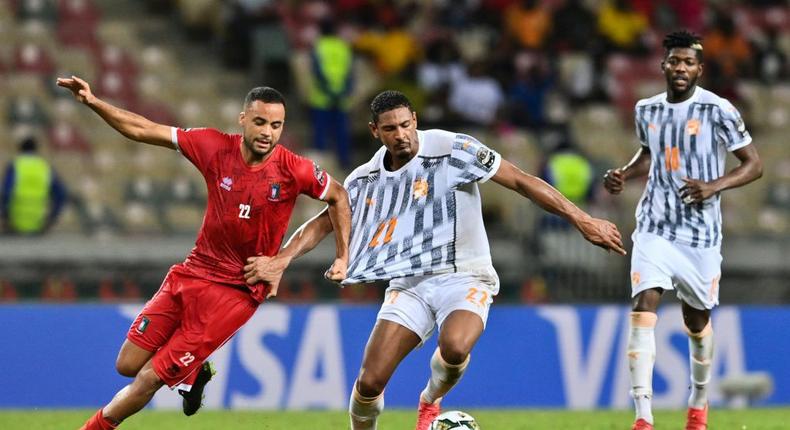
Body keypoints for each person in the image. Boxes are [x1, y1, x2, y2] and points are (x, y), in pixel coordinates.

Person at [244, 90, 626, 430]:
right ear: (375, 131)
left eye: (406, 125)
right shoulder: (365, 178)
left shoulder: (452, 149)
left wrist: (582, 219)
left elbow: (521, 180)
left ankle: (429, 402)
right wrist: (282, 259)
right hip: (409, 284)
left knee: (456, 347)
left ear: (416, 121)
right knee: (369, 382)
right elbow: (325, 221)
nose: (402, 135)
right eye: (391, 128)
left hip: (466, 276)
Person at [55, 75, 351, 430]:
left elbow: (339, 198)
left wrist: (290, 259)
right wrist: (93, 101)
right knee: (127, 365)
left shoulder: (294, 168)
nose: (268, 133)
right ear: (243, 119)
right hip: (192, 272)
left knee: (149, 378)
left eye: (276, 125)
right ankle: (194, 375)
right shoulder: (213, 146)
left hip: (237, 289)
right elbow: (142, 129)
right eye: (260, 122)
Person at [602, 31, 762, 430]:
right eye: (674, 61)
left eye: (688, 63)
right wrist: (625, 172)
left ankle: (699, 403)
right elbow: (649, 153)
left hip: (701, 238)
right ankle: (643, 418)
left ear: (699, 69)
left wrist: (713, 186)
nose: (680, 68)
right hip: (655, 227)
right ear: (663, 65)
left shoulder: (718, 109)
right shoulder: (647, 109)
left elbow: (753, 164)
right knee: (643, 306)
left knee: (696, 320)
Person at [308, 18, 354, 169]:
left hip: (323, 98)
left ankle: (319, 168)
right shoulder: (343, 47)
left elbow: (317, 71)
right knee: (341, 132)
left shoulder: (319, 46)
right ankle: (344, 162)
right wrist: (344, 91)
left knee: (321, 132)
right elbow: (350, 73)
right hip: (341, 97)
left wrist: (328, 90)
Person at [1, 137, 67, 235]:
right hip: (38, 225)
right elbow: (61, 195)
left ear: (20, 149)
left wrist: (5, 216)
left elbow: (6, 193)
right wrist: (51, 218)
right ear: (36, 150)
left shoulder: (16, 165)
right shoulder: (45, 167)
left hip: (14, 224)